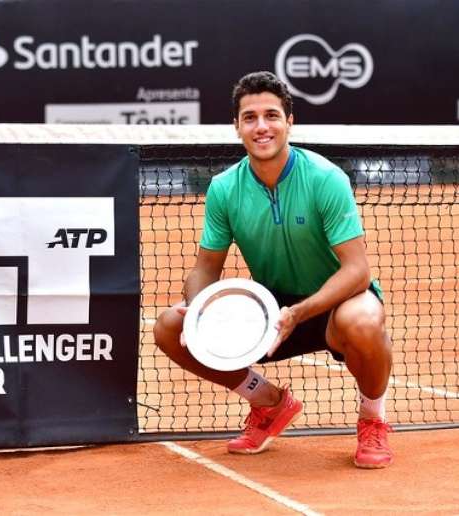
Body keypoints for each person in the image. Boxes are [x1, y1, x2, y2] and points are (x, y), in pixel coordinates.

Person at [153, 71, 393, 469]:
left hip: (335, 304)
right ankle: (268, 403)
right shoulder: (224, 188)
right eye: (250, 117)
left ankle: (373, 419)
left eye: (271, 115)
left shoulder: (325, 179)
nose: (261, 126)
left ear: (289, 122)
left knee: (365, 321)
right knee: (170, 326)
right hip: (270, 309)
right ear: (237, 127)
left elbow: (358, 271)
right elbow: (204, 269)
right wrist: (199, 308)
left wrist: (299, 313)